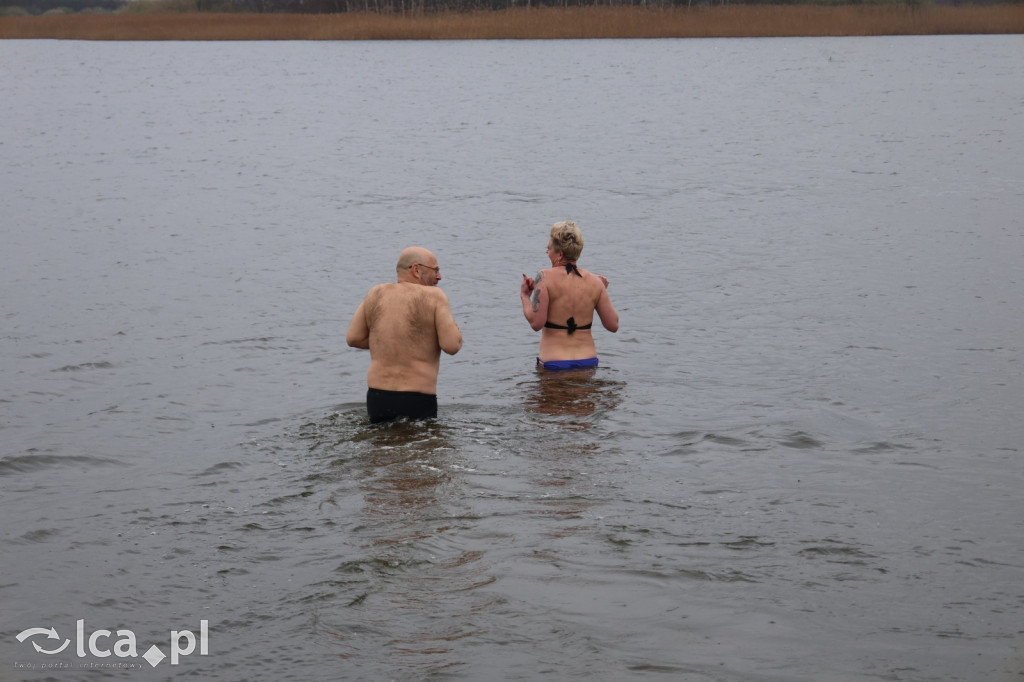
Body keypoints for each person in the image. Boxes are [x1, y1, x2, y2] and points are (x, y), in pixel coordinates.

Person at [347, 246, 462, 423]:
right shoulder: (434, 296)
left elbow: (353, 338)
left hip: (378, 397)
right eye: (436, 270)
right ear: (416, 269)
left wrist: (392, 339)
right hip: (417, 398)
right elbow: (451, 345)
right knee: (420, 447)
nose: (439, 277)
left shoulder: (375, 293)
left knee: (381, 448)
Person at [520, 221, 618, 370]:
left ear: (560, 254)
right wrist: (601, 291)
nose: (547, 252)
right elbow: (613, 325)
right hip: (588, 363)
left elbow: (536, 323)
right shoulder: (595, 282)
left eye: (549, 248)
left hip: (554, 364)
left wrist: (525, 296)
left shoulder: (544, 277)